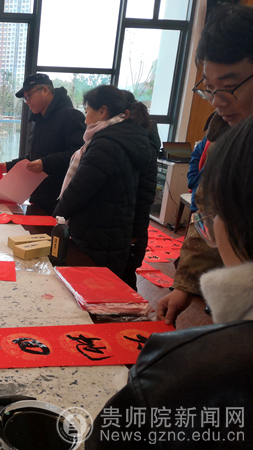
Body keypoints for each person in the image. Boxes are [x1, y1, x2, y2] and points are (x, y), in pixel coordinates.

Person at [86, 114, 253, 450]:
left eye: (208, 219)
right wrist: (185, 285)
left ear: (235, 219)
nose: (217, 101)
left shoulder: (192, 364)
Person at [157, 5, 253, 325]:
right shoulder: (224, 133)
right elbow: (208, 214)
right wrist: (185, 285)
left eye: (229, 86)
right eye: (210, 89)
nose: (217, 101)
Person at [53, 85, 150, 277]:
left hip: (96, 232)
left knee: (92, 282)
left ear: (102, 111)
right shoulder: (132, 138)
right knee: (112, 282)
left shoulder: (105, 144)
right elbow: (145, 195)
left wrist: (55, 219)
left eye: (87, 110)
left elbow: (79, 190)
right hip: (117, 229)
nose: (85, 118)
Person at [0, 73, 86, 215]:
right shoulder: (39, 120)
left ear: (45, 90)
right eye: (25, 98)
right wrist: (7, 166)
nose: (27, 102)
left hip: (59, 201)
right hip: (38, 198)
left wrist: (45, 163)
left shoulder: (71, 116)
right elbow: (34, 158)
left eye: (29, 96)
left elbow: (78, 156)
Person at [120, 90, 160, 290]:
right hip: (125, 227)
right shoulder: (132, 141)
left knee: (125, 280)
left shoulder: (142, 147)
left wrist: (136, 233)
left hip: (131, 229)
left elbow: (144, 196)